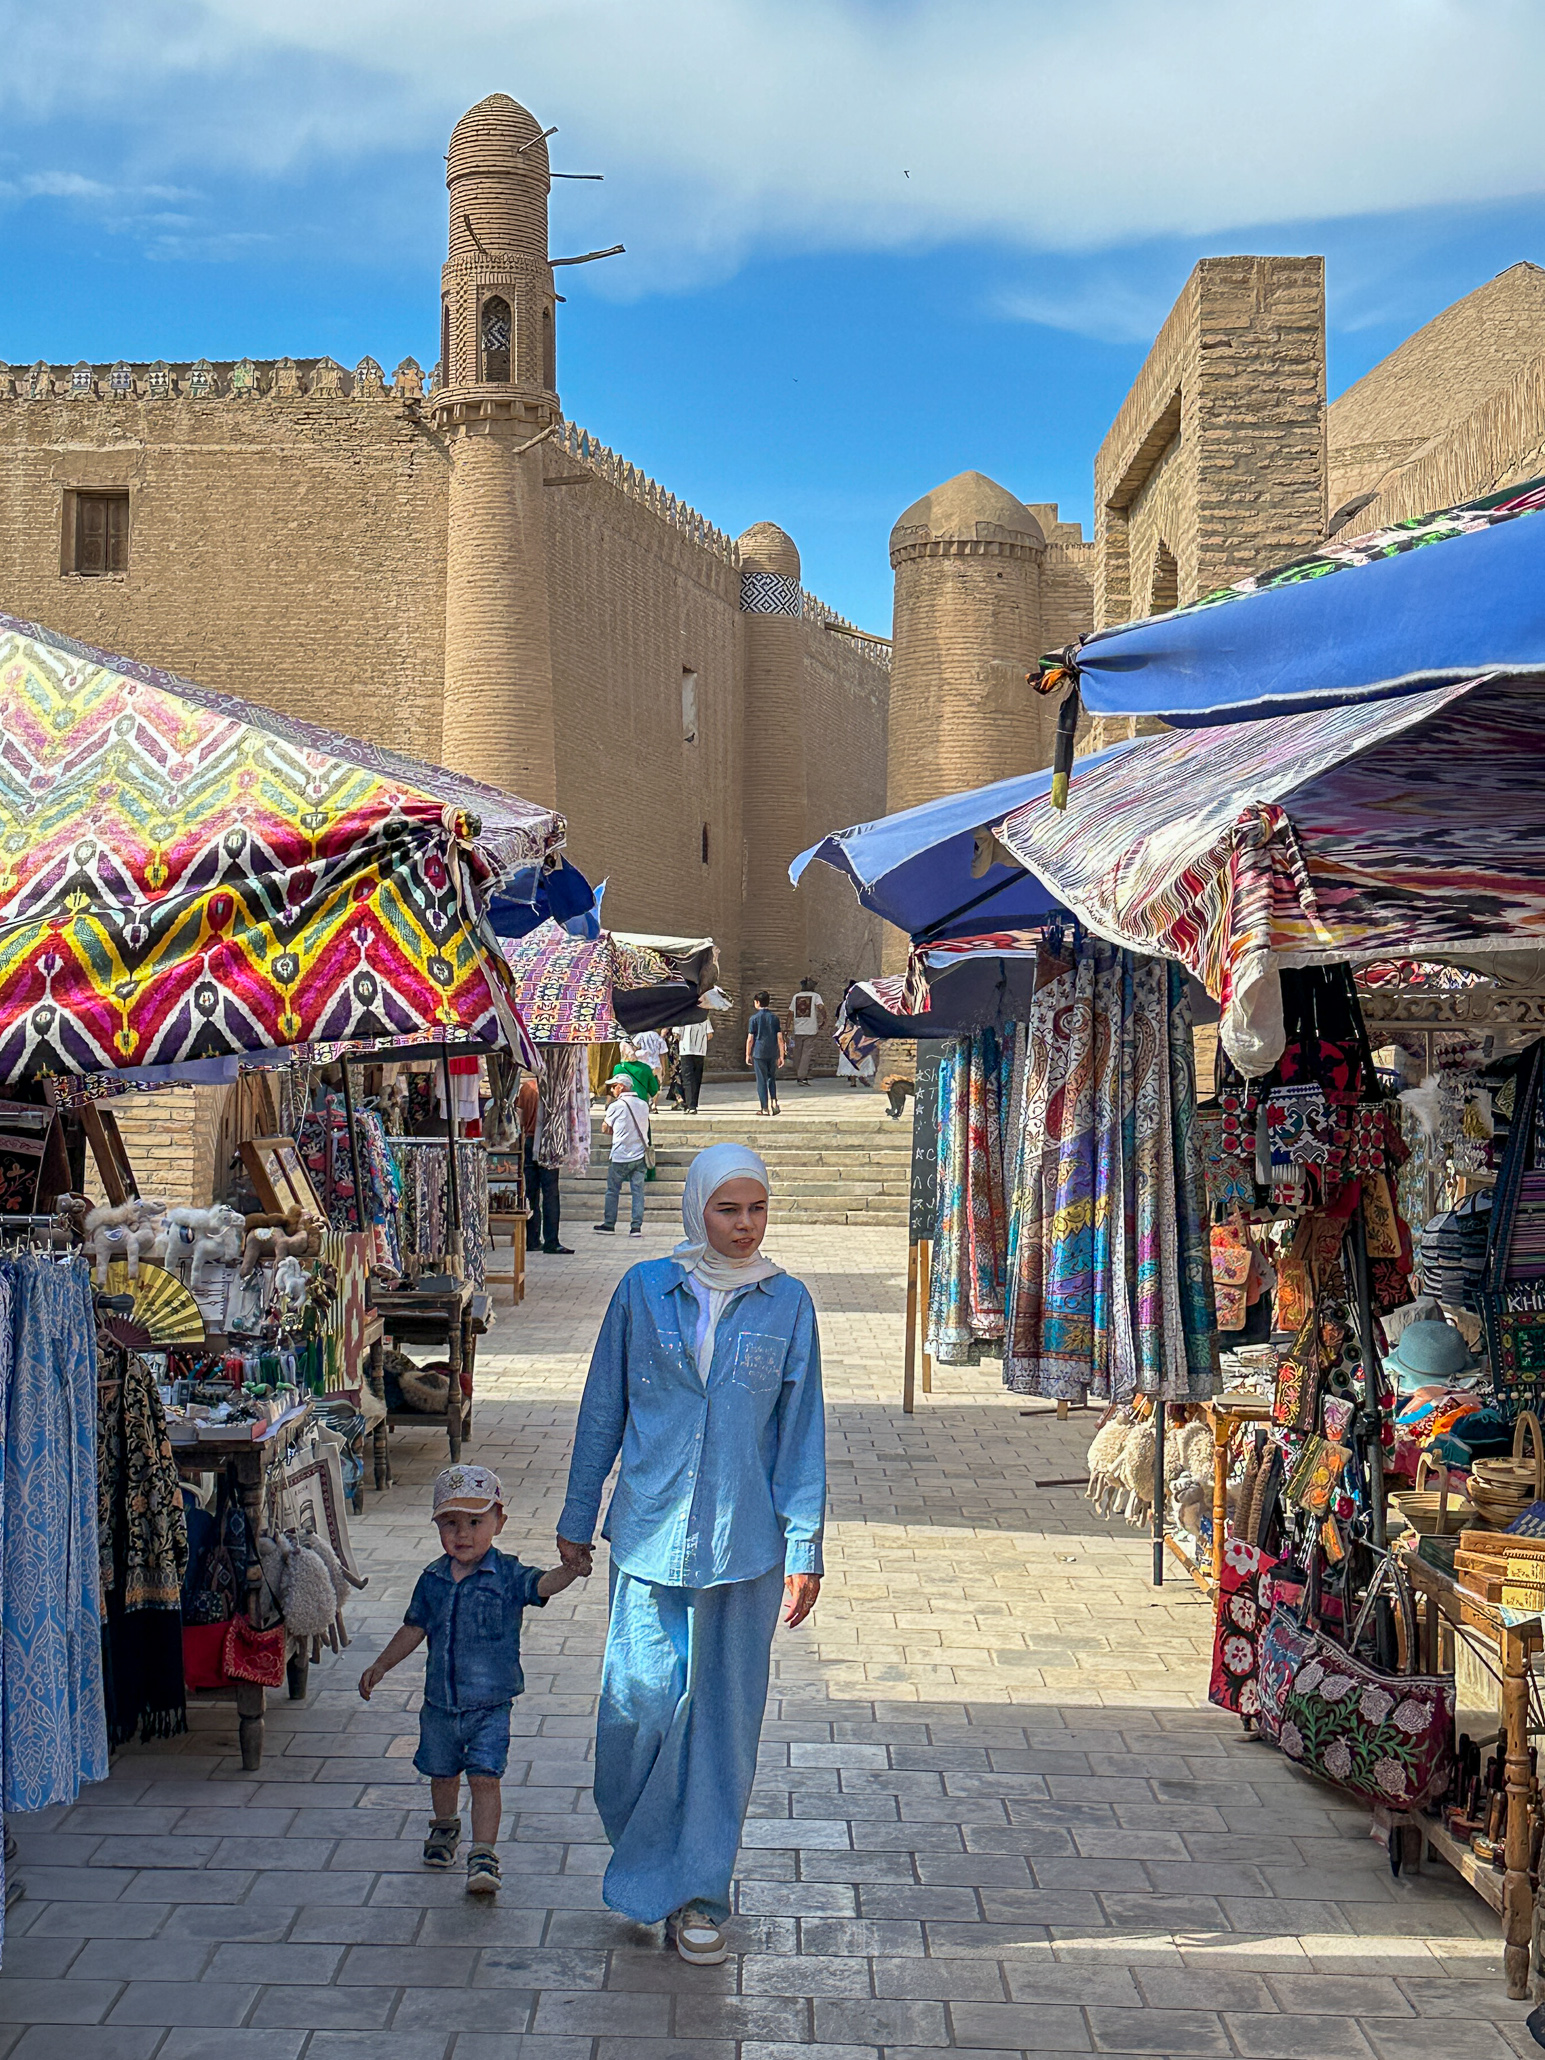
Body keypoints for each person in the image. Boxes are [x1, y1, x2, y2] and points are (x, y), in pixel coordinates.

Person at [557, 1143, 825, 1964]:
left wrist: (805, 1544)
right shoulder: (643, 1291)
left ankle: (701, 1891)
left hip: (746, 1548)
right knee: (634, 1716)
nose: (744, 1227)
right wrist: (575, 1513)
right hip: (646, 1535)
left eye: (756, 1209)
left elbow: (800, 1432)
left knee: (719, 1727)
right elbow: (603, 1406)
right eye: (727, 1210)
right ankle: (650, 1861)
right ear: (696, 1209)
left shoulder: (787, 1304)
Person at [358, 1464, 585, 1895]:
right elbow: (413, 1628)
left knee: (485, 1776)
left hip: (490, 1704)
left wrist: (571, 1570)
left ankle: (484, 1853)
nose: (463, 1534)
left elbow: (542, 1585)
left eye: (476, 1522)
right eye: (450, 1523)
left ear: (499, 1521)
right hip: (440, 1703)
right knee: (441, 1773)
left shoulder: (508, 1575)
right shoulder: (432, 1579)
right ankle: (444, 1827)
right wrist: (383, 1664)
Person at [519, 1069, 571, 1255]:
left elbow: (520, 1115)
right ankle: (551, 1240)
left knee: (531, 1192)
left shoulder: (526, 1088)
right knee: (550, 1192)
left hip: (529, 1138)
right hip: (548, 1141)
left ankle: (532, 1239)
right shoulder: (553, 1090)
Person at [595, 1070, 650, 1235]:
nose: (611, 1090)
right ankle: (636, 1227)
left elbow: (605, 1128)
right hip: (640, 1154)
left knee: (613, 1190)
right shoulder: (643, 1104)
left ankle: (609, 1223)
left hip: (620, 1154)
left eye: (613, 1087)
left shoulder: (616, 1106)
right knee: (638, 1192)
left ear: (621, 1087)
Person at [745, 991, 785, 1115]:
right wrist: (782, 1055)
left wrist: (748, 1054)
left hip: (759, 1052)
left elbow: (750, 1038)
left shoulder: (754, 1019)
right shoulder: (774, 1018)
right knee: (771, 1078)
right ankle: (774, 1101)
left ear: (757, 1002)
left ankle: (764, 1108)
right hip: (772, 1051)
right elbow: (780, 1037)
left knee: (761, 1080)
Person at [785, 977, 827, 1085]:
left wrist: (787, 1027)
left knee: (798, 1052)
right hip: (810, 1029)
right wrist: (824, 1018)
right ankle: (802, 1077)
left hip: (798, 1029)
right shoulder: (815, 996)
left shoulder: (796, 997)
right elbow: (821, 1007)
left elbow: (790, 1013)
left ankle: (799, 1072)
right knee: (806, 1053)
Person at [674, 1015, 712, 1112]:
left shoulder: (683, 1015)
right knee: (696, 1078)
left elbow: (676, 1033)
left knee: (687, 1078)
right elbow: (710, 1034)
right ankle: (693, 1103)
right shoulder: (704, 1017)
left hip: (686, 1050)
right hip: (700, 1051)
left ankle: (690, 1105)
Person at [631, 1028, 669, 1102]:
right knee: (656, 1084)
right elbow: (662, 1054)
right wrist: (664, 1069)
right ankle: (654, 1104)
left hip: (643, 1063)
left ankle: (646, 1101)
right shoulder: (659, 1038)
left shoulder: (640, 1035)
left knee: (644, 1083)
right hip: (656, 1063)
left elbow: (633, 1048)